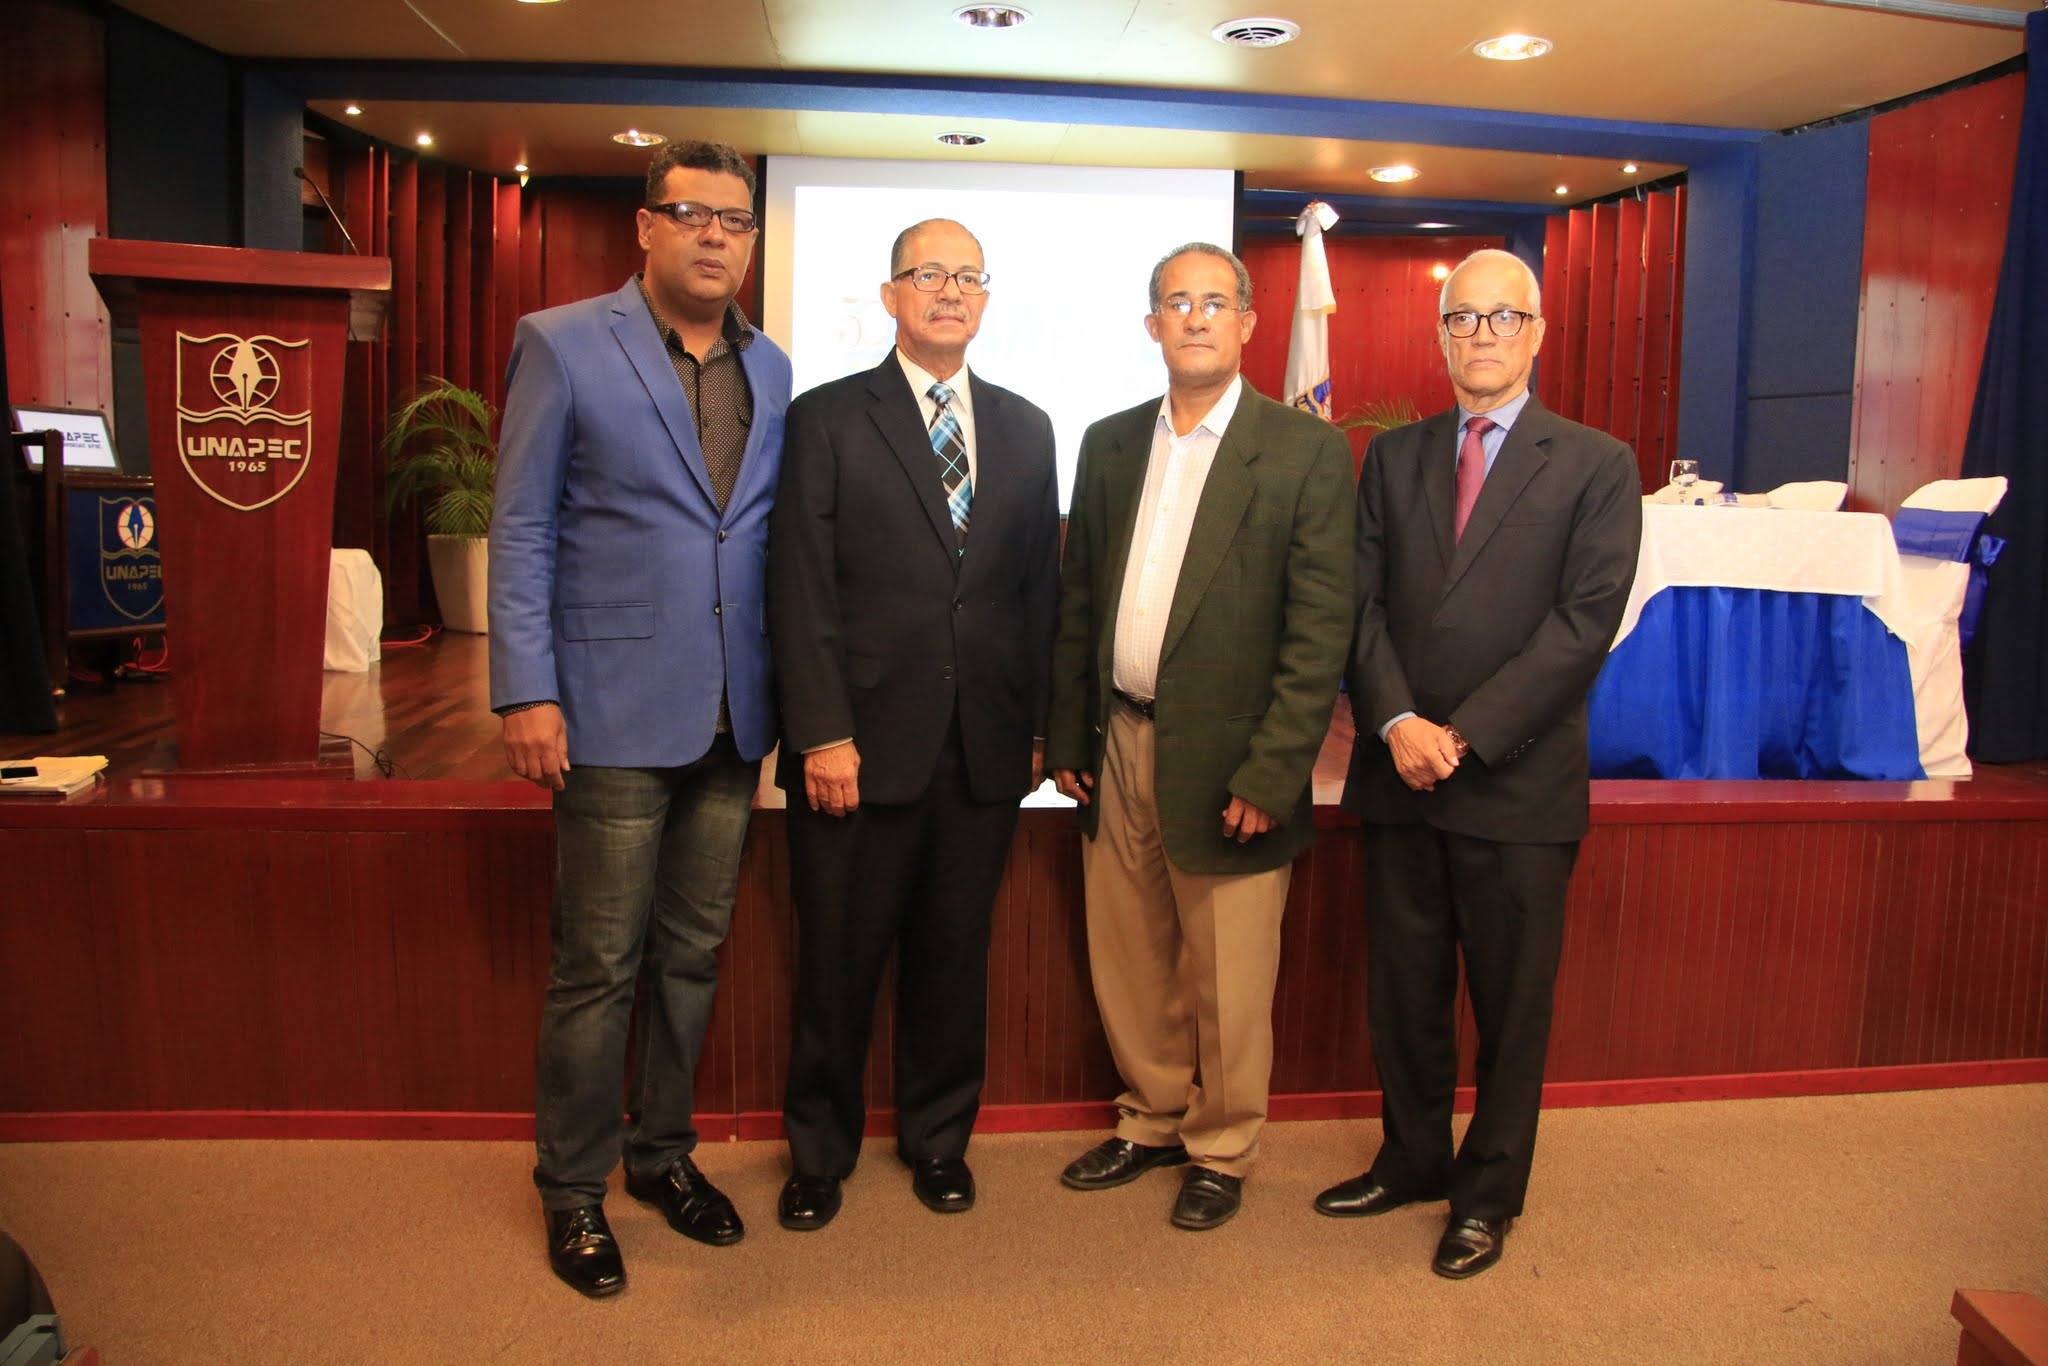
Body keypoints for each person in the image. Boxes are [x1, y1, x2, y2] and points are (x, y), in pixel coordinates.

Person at [488, 140, 792, 1297]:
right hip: (608, 708)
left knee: (692, 955)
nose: (715, 234)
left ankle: (661, 1155)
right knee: (597, 964)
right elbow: (518, 527)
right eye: (691, 212)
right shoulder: (564, 342)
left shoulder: (774, 364)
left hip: (731, 712)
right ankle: (572, 1188)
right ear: (646, 227)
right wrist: (525, 686)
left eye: (734, 217)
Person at [1319, 247, 1640, 1278]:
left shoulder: (1594, 462)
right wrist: (1398, 721)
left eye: (1501, 319)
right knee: (1402, 994)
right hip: (1396, 775)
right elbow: (1357, 607)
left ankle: (1484, 1193)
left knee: (1509, 1007)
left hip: (1513, 783)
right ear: (1440, 334)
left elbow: (1580, 625)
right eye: (1461, 319)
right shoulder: (1395, 456)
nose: (1480, 337)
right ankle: (1410, 1157)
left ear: (1536, 332)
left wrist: (1457, 734)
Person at [1047, 242, 1353, 1231]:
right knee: (1129, 954)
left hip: (1233, 759)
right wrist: (1067, 737)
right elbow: (1078, 600)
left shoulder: (1301, 450)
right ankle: (1147, 1117)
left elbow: (1317, 633)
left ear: (1249, 323)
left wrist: (1272, 771)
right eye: (1174, 301)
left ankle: (1219, 1144)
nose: (1194, 317)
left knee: (1226, 970)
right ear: (1150, 325)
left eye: (1213, 301)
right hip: (1118, 742)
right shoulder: (1106, 441)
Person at [768, 219, 1060, 1230]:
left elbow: (1035, 593)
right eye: (927, 274)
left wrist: (1034, 732)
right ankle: (817, 1152)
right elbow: (798, 587)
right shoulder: (827, 418)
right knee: (838, 961)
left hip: (980, 749)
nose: (948, 291)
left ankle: (939, 1138)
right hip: (857, 746)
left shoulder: (1028, 428)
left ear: (985, 299)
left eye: (966, 276)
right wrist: (819, 731)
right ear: (890, 295)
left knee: (951, 957)